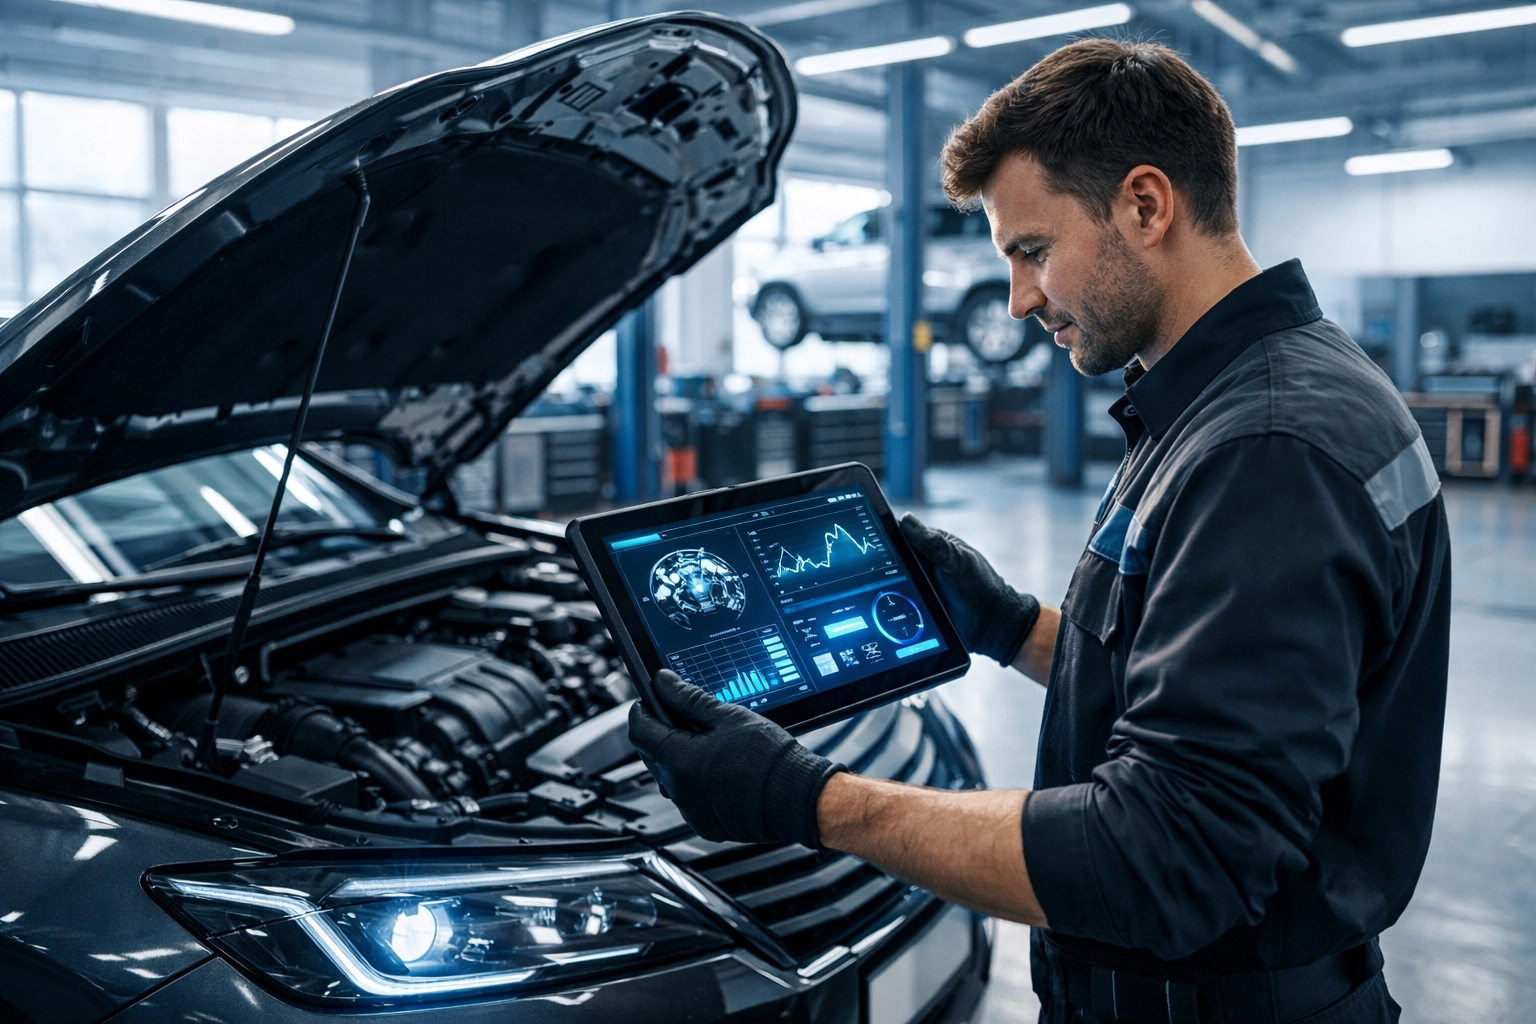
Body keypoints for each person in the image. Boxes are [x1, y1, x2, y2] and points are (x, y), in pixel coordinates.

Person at [630, 38, 1448, 1024]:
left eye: (1032, 251)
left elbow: (1170, 855)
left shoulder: (1265, 449)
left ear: (1146, 206)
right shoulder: (1256, 391)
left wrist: (812, 800)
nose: (1019, 300)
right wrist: (1013, 626)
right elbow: (1212, 686)